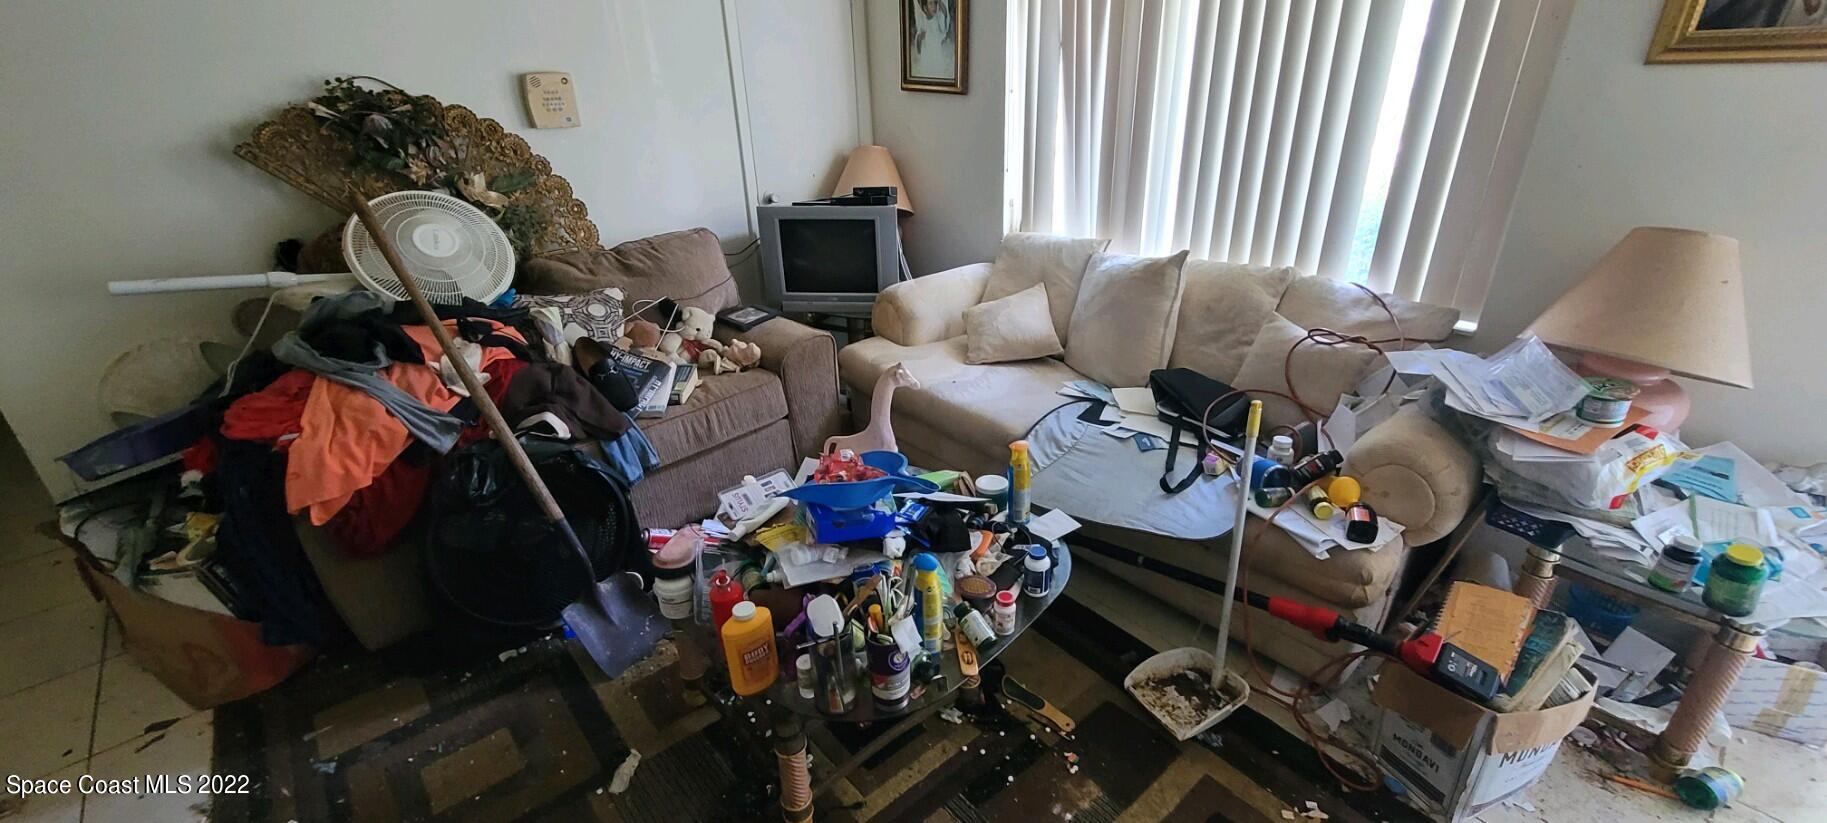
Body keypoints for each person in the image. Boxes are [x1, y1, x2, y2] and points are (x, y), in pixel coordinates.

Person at [911, 0, 955, 80]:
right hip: (926, 58)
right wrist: (920, 38)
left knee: (938, 77)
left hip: (937, 57)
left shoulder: (938, 20)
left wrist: (939, 1)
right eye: (930, 4)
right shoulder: (922, 23)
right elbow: (918, 48)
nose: (934, 6)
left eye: (935, 3)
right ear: (925, 8)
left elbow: (945, 14)